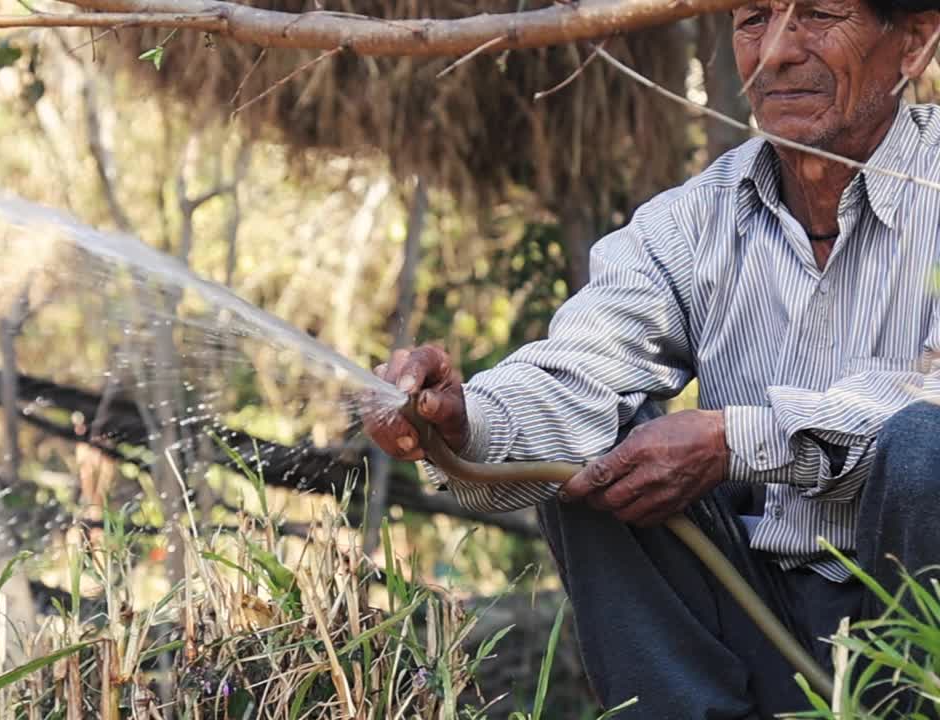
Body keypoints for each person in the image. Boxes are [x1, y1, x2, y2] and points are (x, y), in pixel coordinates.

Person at [363, 2, 940, 717]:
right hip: (749, 607)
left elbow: (930, 403)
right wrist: (463, 420)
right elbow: (582, 368)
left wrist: (737, 441)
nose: (777, 52)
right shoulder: (692, 220)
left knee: (927, 444)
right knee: (597, 456)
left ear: (913, 41)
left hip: (919, 629)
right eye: (753, 19)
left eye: (819, 14)